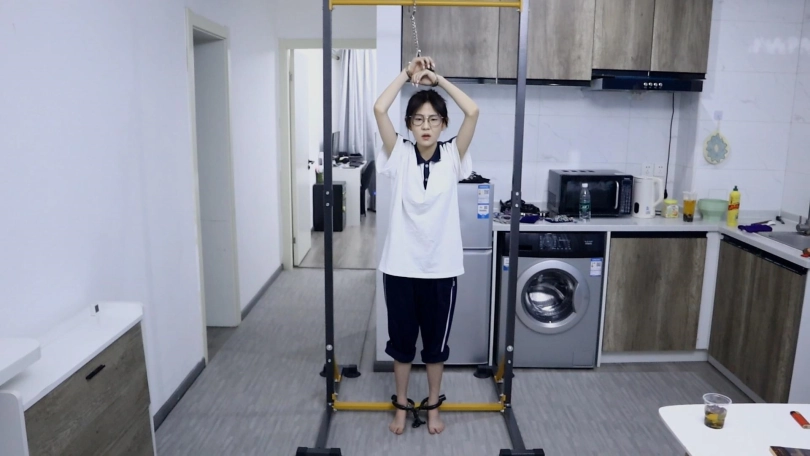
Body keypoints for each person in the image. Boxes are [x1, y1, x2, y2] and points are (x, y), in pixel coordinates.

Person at [372, 56, 479, 436]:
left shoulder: (453, 155)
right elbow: (379, 108)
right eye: (418, 120)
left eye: (434, 120)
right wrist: (407, 74)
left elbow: (473, 111)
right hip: (400, 268)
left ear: (444, 124)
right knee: (402, 346)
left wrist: (438, 79)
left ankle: (433, 407)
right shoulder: (399, 153)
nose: (426, 126)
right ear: (409, 125)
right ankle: (402, 406)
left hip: (441, 270)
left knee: (435, 347)